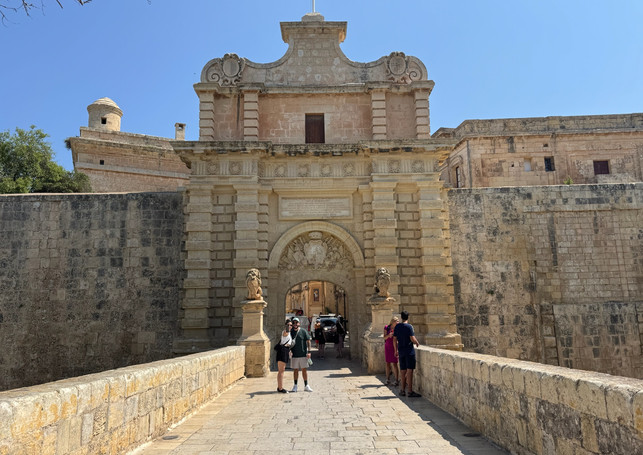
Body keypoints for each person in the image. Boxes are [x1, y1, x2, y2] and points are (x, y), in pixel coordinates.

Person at [393, 310, 421, 397]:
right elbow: (412, 338)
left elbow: (394, 339)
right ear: (408, 317)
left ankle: (402, 390)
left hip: (401, 351)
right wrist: (417, 342)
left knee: (402, 370)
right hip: (409, 351)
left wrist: (395, 350)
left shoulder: (397, 327)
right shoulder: (409, 327)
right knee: (409, 371)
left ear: (401, 317)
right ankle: (410, 391)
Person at [290, 317, 313, 392]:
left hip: (303, 354)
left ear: (299, 323)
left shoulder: (303, 331)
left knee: (304, 370)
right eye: (294, 323)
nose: (295, 324)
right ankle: (295, 385)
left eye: (296, 322)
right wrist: (289, 351)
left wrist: (309, 352)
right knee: (295, 370)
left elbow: (308, 341)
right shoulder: (290, 332)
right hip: (294, 354)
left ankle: (306, 385)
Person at [276, 320, 293, 393]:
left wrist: (289, 350)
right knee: (281, 371)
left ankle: (280, 387)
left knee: (282, 370)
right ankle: (280, 388)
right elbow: (286, 332)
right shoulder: (285, 332)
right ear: (285, 325)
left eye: (290, 325)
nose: (289, 326)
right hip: (282, 351)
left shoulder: (289, 333)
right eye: (288, 325)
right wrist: (287, 328)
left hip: (285, 350)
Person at [383, 316, 399, 385]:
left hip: (394, 347)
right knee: (387, 363)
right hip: (388, 346)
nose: (398, 322)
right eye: (396, 321)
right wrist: (389, 335)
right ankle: (387, 379)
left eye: (398, 321)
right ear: (393, 322)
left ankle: (396, 380)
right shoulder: (387, 327)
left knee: (395, 363)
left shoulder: (397, 328)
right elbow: (384, 337)